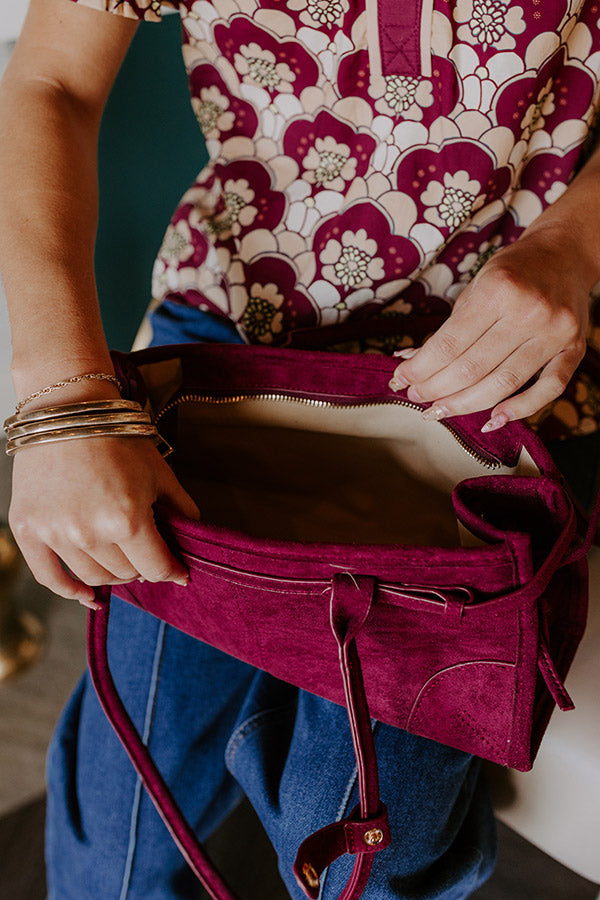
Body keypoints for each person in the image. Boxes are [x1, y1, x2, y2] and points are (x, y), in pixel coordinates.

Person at [1, 0, 599, 897]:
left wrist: (574, 243)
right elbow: (51, 82)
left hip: (495, 380)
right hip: (227, 350)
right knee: (118, 837)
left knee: (366, 851)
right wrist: (63, 406)